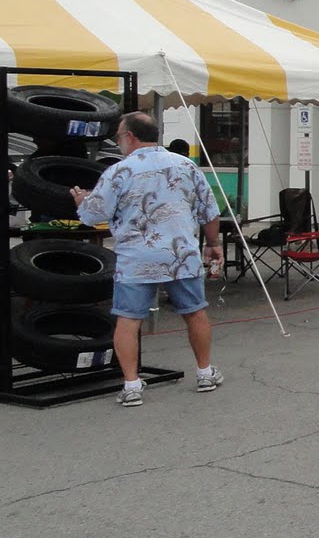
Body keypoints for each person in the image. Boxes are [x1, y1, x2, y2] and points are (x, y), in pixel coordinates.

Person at [72, 112, 224, 407]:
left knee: (128, 320)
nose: (118, 143)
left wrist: (82, 202)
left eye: (118, 137)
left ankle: (131, 385)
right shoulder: (186, 165)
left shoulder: (119, 171)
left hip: (136, 257)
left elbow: (93, 215)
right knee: (195, 312)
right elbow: (209, 210)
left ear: (130, 137)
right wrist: (214, 244)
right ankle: (205, 372)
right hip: (180, 253)